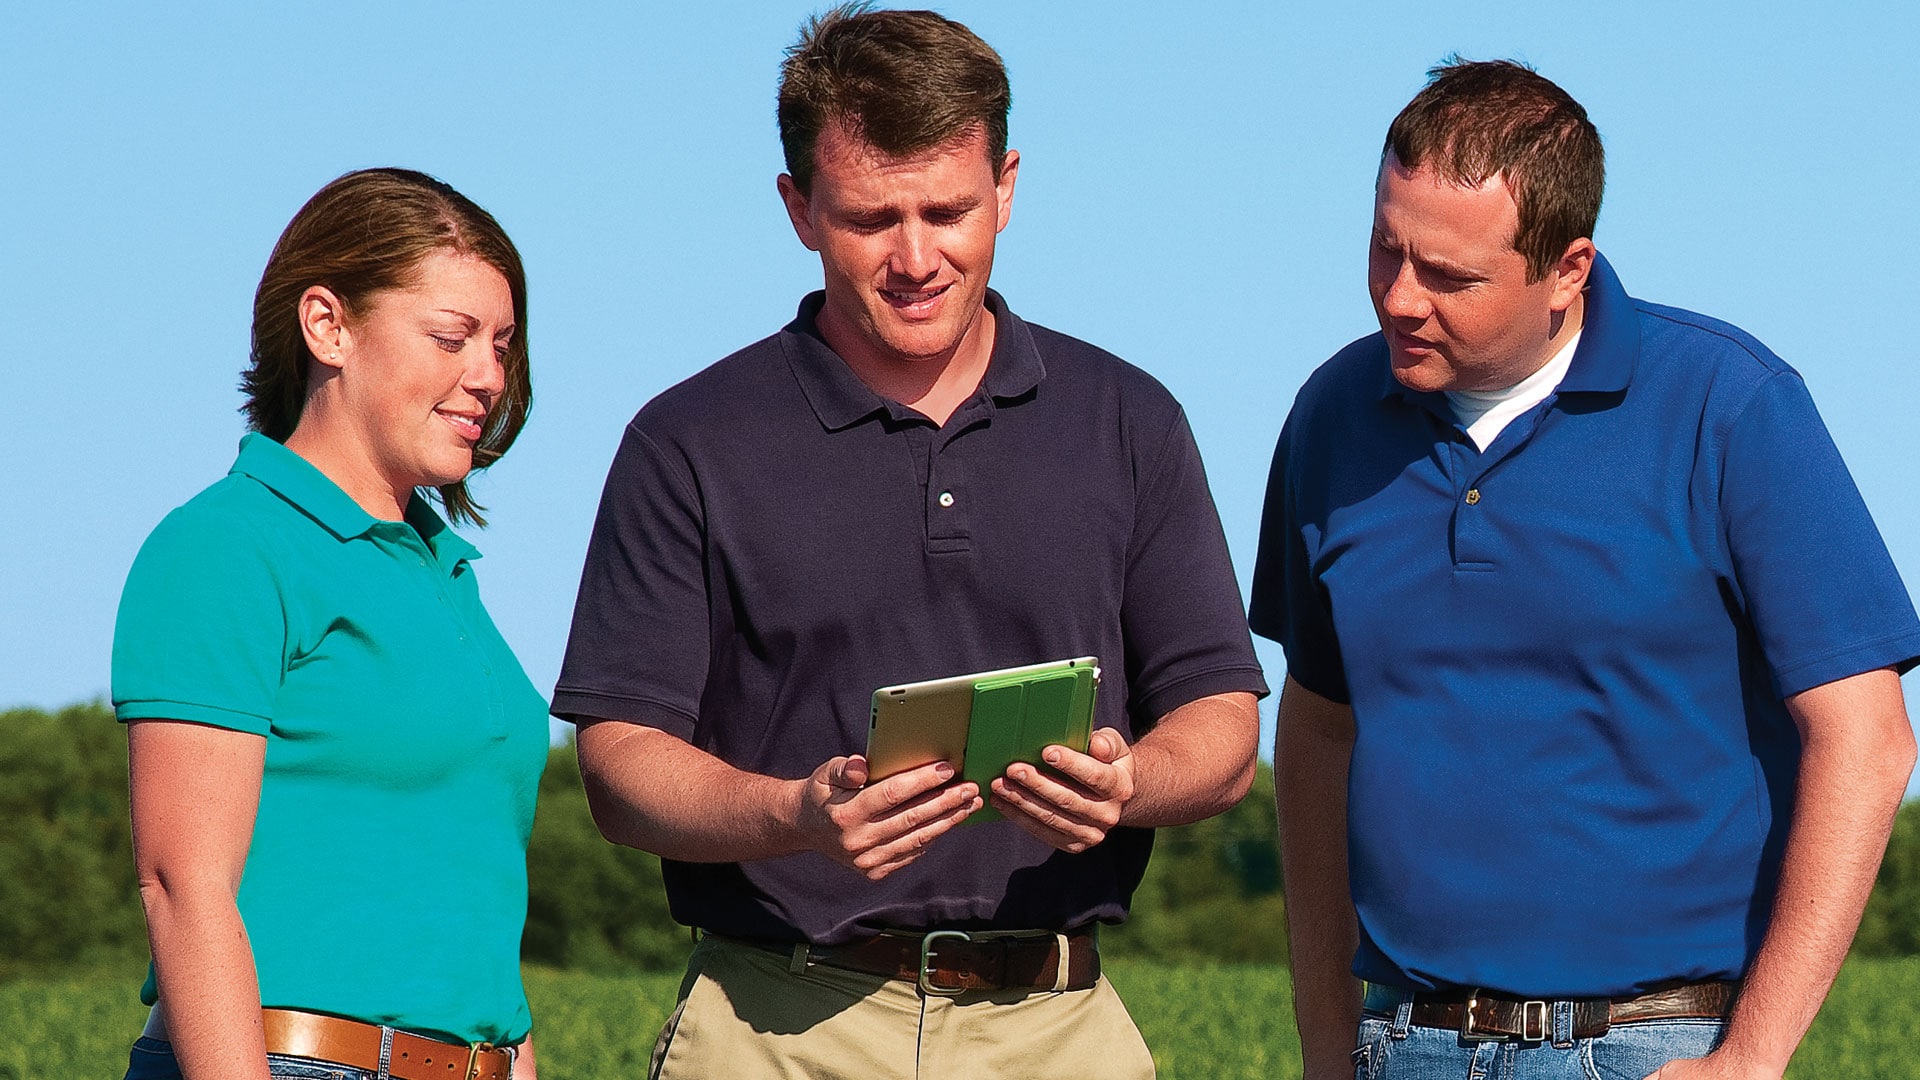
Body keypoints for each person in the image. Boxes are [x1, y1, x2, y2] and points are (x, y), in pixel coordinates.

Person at [552, 6, 1268, 1077]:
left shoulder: (1129, 419)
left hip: (1059, 1029)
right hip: (774, 1030)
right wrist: (794, 813)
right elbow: (618, 767)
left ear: (1008, 187)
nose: (916, 257)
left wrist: (1129, 784)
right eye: (870, 217)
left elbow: (1218, 724)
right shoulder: (689, 439)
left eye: (948, 210)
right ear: (798, 208)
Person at [1250, 58, 1920, 1080]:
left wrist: (1751, 1058)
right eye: (1386, 249)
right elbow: (1318, 729)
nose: (1398, 297)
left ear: (1567, 269)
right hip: (1403, 1044)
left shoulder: (1730, 407)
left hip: (1653, 1046)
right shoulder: (1331, 419)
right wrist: (1324, 1041)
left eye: (1449, 276)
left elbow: (1866, 737)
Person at [112, 168, 546, 1080]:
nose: (489, 378)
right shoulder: (226, 548)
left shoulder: (442, 568)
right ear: (327, 326)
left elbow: (472, 904)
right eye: (451, 337)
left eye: (502, 345)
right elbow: (184, 888)